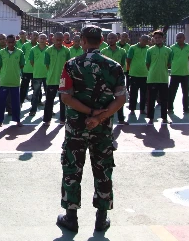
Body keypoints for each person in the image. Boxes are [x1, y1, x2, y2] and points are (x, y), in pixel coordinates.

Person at [56, 25, 127, 233]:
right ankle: (101, 219)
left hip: (77, 128)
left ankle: (71, 218)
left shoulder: (71, 65)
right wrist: (100, 116)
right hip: (102, 129)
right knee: (103, 171)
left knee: (72, 169)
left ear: (82, 41)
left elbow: (66, 96)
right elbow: (121, 98)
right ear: (102, 40)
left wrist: (88, 112)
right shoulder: (114, 66)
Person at [0, 34, 25, 127]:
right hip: (4, 81)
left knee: (16, 103)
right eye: (9, 42)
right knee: (1, 102)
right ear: (6, 42)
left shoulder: (19, 52)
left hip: (15, 81)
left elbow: (22, 65)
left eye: (12, 42)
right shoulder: (1, 53)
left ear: (15, 42)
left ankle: (17, 120)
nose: (11, 44)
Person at [101, 33, 129, 125]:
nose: (110, 40)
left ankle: (121, 119)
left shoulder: (122, 51)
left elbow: (122, 64)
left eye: (112, 38)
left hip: (118, 78)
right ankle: (104, 118)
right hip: (106, 79)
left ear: (117, 39)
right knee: (105, 99)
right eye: (108, 38)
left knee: (119, 99)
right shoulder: (103, 51)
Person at [145, 30, 172, 124]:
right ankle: (151, 118)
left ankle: (164, 118)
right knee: (151, 99)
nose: (157, 39)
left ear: (163, 38)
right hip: (152, 78)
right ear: (153, 39)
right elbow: (147, 64)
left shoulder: (168, 50)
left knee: (164, 100)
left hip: (164, 78)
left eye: (159, 37)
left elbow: (169, 63)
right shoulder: (150, 50)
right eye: (155, 38)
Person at [45, 32, 71, 124]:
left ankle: (62, 119)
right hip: (52, 79)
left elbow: (68, 65)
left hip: (63, 80)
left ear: (63, 40)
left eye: (60, 40)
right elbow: (47, 65)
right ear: (53, 39)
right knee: (49, 101)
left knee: (63, 101)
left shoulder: (66, 51)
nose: (59, 42)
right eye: (57, 40)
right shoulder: (48, 51)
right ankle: (47, 120)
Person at [168, 33, 189, 114]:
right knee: (172, 92)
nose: (178, 39)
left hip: (185, 73)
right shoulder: (172, 48)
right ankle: (170, 108)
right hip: (175, 73)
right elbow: (169, 59)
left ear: (184, 37)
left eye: (180, 37)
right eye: (177, 38)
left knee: (186, 92)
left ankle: (186, 108)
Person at [127, 35, 150, 114]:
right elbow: (129, 59)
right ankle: (132, 109)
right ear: (139, 39)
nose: (144, 42)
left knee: (144, 94)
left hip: (145, 74)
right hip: (134, 74)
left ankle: (142, 109)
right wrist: (131, 69)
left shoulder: (148, 49)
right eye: (143, 40)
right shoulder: (132, 48)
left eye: (146, 40)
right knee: (133, 93)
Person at [29, 33, 49, 117]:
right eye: (41, 38)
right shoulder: (33, 49)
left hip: (47, 75)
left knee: (48, 94)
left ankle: (49, 110)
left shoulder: (49, 49)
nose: (42, 40)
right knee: (35, 93)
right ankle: (33, 110)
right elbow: (31, 61)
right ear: (38, 39)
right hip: (37, 74)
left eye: (44, 38)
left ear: (46, 40)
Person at [19, 31, 36, 105]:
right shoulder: (25, 45)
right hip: (26, 70)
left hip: (36, 71)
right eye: (33, 35)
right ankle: (20, 101)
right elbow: (21, 57)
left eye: (36, 35)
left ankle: (37, 102)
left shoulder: (39, 46)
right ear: (30, 36)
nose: (35, 37)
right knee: (24, 87)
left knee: (36, 88)